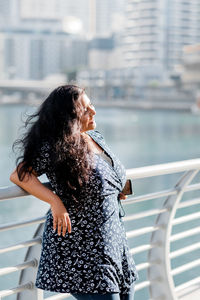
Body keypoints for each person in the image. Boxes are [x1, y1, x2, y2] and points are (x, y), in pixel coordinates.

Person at [10, 85, 138, 300]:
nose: (94, 112)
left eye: (91, 105)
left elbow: (106, 173)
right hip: (84, 251)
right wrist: (55, 202)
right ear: (69, 116)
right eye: (86, 109)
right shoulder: (55, 147)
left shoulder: (95, 138)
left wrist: (116, 190)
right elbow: (20, 175)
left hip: (114, 243)